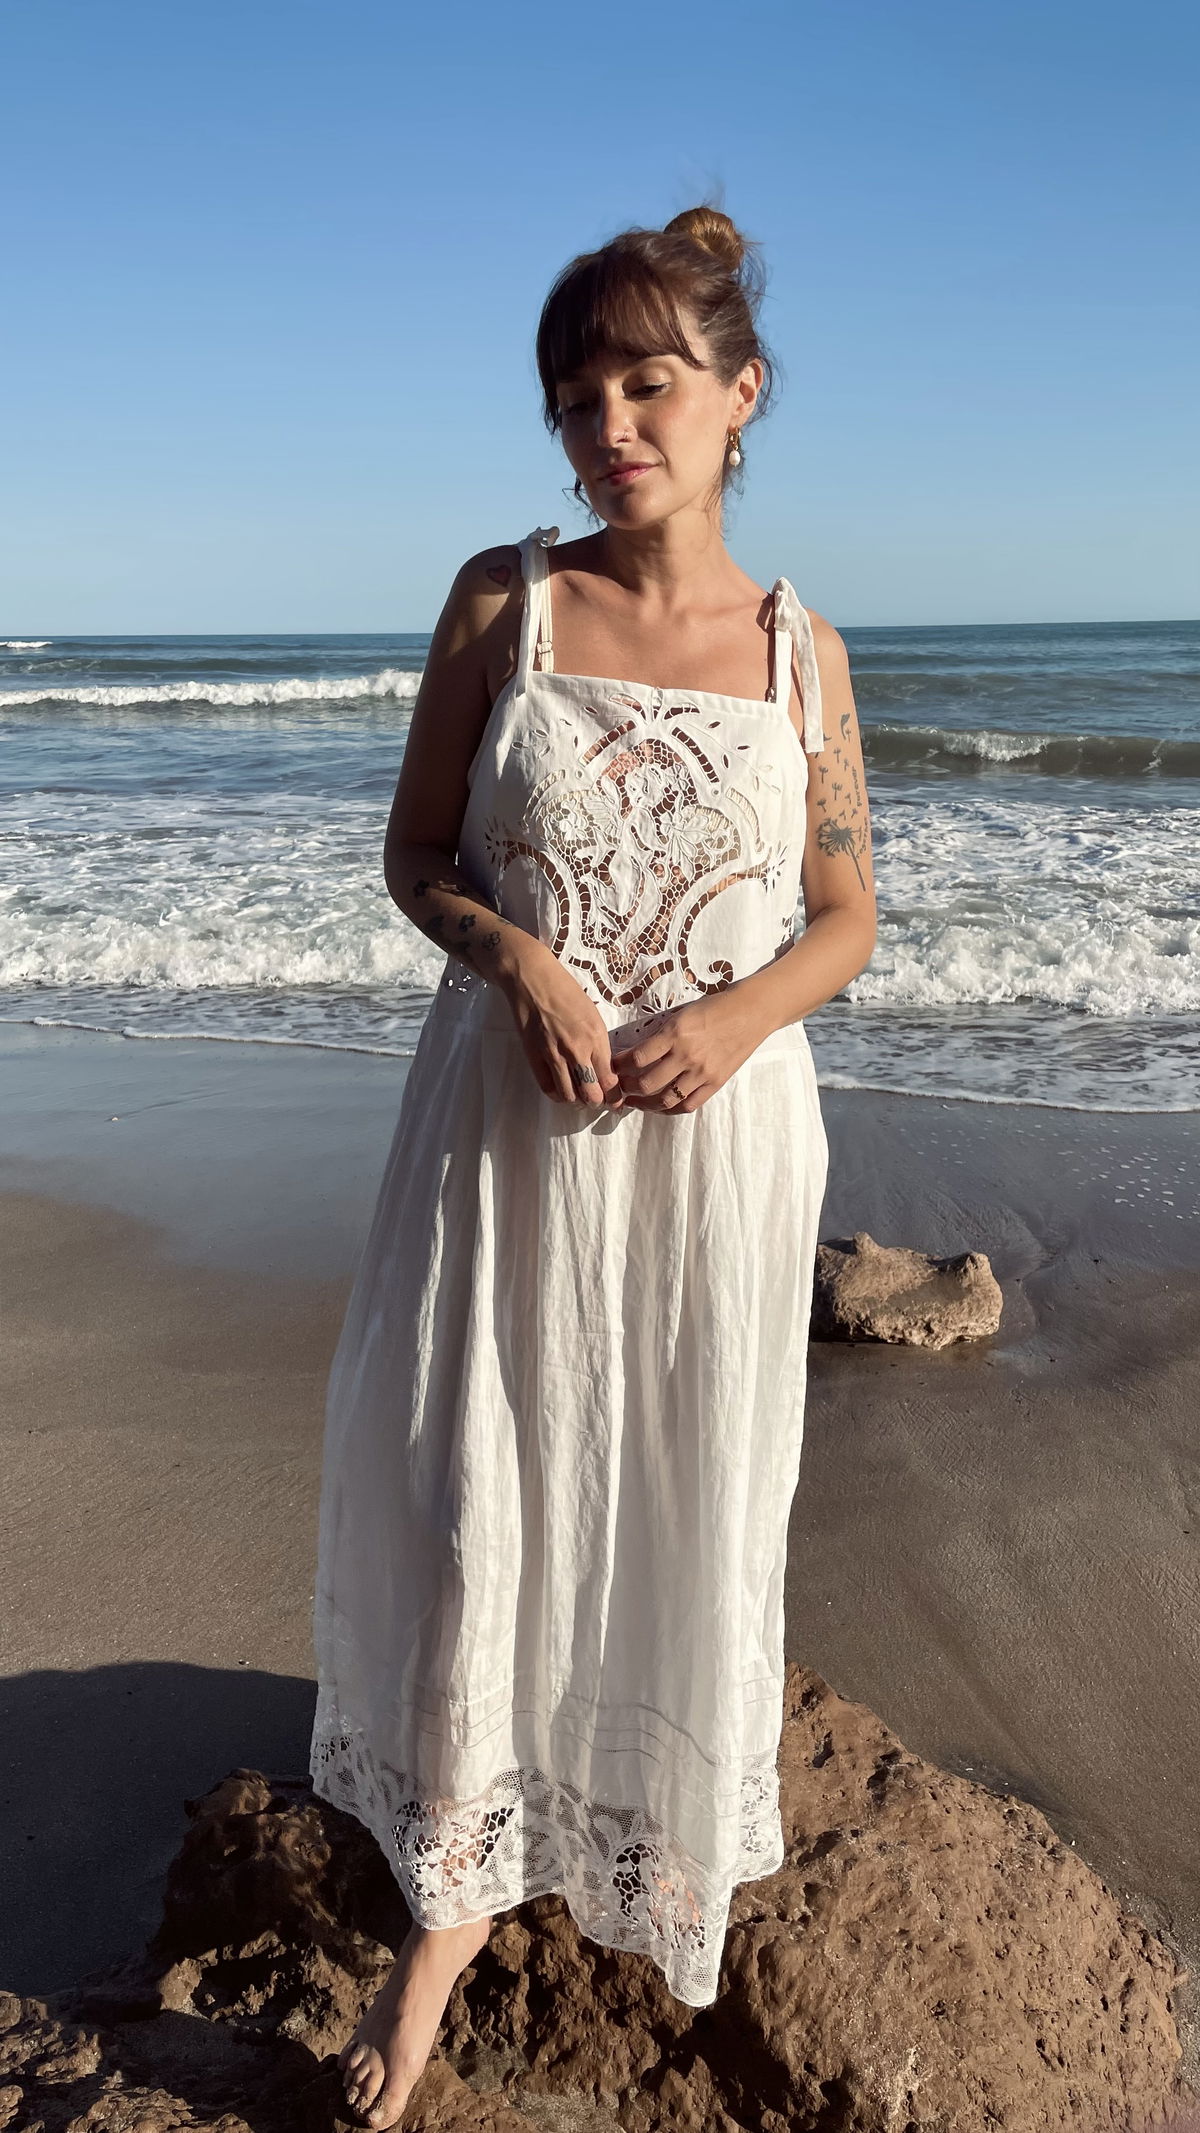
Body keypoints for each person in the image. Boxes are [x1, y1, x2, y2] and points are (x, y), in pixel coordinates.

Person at [310, 203, 877, 2129]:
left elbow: (846, 916)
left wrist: (737, 1020)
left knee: (680, 1487)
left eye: (647, 383)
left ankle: (641, 1837)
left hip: (720, 1159)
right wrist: (522, 960)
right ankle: (447, 1920)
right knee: (485, 1490)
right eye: (576, 396)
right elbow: (416, 857)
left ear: (741, 392)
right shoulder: (507, 604)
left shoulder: (803, 653)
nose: (609, 425)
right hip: (510, 1132)